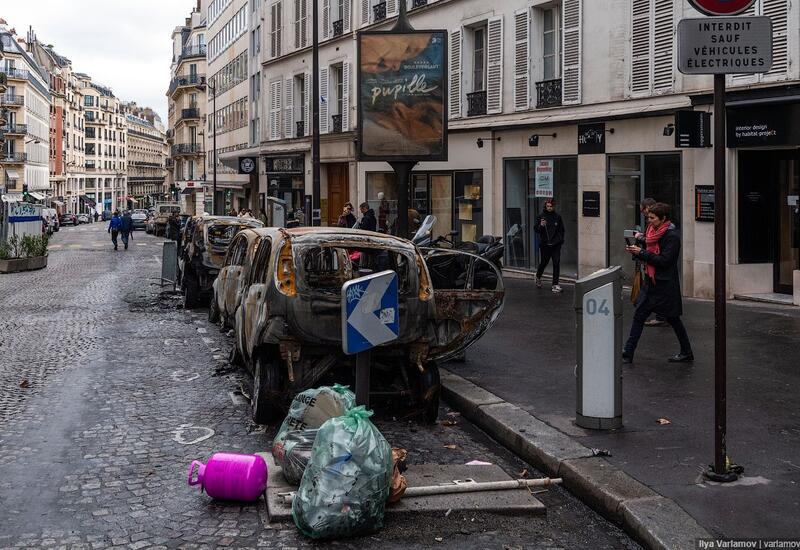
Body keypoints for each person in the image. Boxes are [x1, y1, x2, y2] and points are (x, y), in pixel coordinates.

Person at [622, 202, 693, 364]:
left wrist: (642, 252)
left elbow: (665, 261)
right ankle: (628, 351)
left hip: (665, 285)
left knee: (674, 319)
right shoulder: (651, 233)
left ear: (663, 219)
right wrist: (636, 251)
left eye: (652, 218)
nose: (649, 221)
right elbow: (649, 254)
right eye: (648, 218)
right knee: (639, 316)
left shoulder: (672, 237)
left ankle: (687, 351)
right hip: (651, 283)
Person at [637, 198, 669, 327]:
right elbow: (649, 240)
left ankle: (659, 315)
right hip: (651, 264)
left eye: (651, 217)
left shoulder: (668, 233)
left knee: (652, 293)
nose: (648, 219)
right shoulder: (652, 227)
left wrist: (642, 249)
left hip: (657, 268)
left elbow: (663, 258)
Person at [534, 199, 565, 293]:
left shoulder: (557, 217)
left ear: (554, 206)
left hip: (555, 244)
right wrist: (541, 225)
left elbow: (561, 230)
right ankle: (538, 276)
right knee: (544, 262)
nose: (549, 208)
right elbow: (536, 230)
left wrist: (560, 240)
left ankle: (555, 284)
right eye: (548, 206)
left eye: (551, 206)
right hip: (545, 244)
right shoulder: (541, 217)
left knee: (556, 263)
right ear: (545, 206)